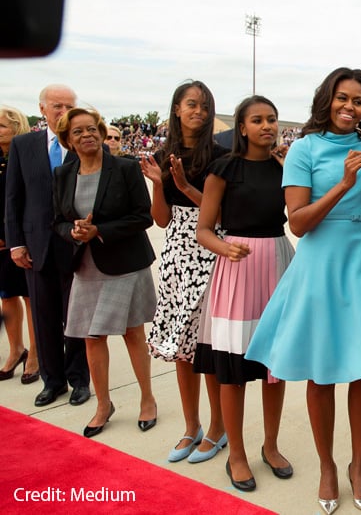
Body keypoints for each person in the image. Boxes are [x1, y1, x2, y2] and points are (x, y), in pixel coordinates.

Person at [246, 68, 361, 515]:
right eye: (342, 98)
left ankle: (359, 465)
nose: (350, 107)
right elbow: (298, 222)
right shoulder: (304, 150)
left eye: (359, 100)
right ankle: (328, 466)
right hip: (321, 264)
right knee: (322, 371)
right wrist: (345, 186)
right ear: (327, 99)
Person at [194, 95, 294, 492]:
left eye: (271, 119)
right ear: (241, 127)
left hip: (279, 264)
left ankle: (270, 445)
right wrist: (224, 248)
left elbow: (299, 212)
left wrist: (292, 170)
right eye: (257, 120)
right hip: (236, 268)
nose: (267, 126)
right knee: (231, 371)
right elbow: (204, 229)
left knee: (275, 368)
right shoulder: (223, 169)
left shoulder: (284, 167)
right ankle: (236, 453)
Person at [51, 108, 157, 438]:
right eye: (79, 131)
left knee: (131, 332)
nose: (88, 135)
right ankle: (103, 404)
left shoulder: (125, 169)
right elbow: (59, 222)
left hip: (124, 264)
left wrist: (100, 230)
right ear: (68, 140)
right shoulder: (63, 175)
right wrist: (73, 232)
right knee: (91, 337)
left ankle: (147, 399)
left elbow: (144, 217)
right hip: (86, 267)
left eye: (93, 129)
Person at [141, 80, 229, 463]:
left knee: (208, 348)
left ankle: (218, 429)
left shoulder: (223, 156)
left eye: (205, 106)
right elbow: (160, 220)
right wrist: (162, 184)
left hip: (211, 249)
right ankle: (191, 426)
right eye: (191, 104)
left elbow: (225, 215)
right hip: (177, 251)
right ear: (176, 108)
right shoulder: (164, 155)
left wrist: (185, 186)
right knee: (181, 348)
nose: (199, 111)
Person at [4, 84, 90, 407]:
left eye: (70, 105)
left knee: (77, 319)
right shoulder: (23, 146)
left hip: (76, 248)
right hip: (36, 248)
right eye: (57, 106)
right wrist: (16, 244)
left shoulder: (85, 143)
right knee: (44, 317)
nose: (64, 112)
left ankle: (80, 379)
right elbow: (13, 199)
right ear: (42, 109)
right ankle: (52, 381)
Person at [0, 106, 38, 383]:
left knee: (30, 297)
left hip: (20, 238)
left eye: (1, 126)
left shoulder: (25, 155)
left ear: (16, 127)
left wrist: (15, 238)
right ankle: (16, 350)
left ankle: (36, 354)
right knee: (6, 296)